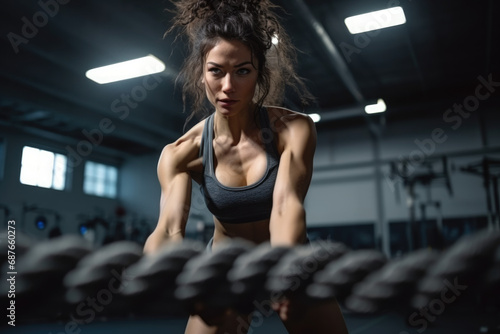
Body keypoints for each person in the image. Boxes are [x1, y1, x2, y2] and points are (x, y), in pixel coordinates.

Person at [143, 0, 349, 333]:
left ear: (259, 74)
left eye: (242, 71)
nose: (228, 86)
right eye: (216, 71)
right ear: (201, 74)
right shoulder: (181, 154)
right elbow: (168, 229)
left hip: (288, 258)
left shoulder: (292, 129)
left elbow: (285, 207)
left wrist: (284, 271)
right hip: (225, 271)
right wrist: (161, 276)